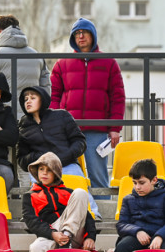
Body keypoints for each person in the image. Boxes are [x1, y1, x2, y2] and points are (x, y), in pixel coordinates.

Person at [50, 18, 125, 194]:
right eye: (77, 33)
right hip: (68, 130)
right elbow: (54, 96)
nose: (81, 36)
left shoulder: (109, 62)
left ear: (93, 35)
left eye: (84, 32)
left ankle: (103, 208)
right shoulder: (62, 63)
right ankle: (69, 207)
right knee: (68, 175)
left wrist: (115, 128)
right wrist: (54, 125)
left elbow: (118, 97)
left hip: (96, 130)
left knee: (98, 176)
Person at [17, 85, 100, 215]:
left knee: (77, 185)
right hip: (41, 169)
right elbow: (22, 159)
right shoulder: (23, 126)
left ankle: (92, 213)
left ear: (42, 99)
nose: (28, 101)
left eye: (33, 98)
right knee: (39, 190)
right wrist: (40, 159)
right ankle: (37, 215)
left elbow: (79, 141)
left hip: (66, 164)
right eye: (26, 99)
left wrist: (65, 156)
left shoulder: (61, 116)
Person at [23, 152, 99, 252]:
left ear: (56, 173)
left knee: (80, 192)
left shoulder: (69, 193)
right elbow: (32, 222)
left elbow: (87, 216)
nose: (44, 173)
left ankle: (67, 236)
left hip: (74, 233)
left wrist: (90, 237)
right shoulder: (30, 196)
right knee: (35, 247)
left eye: (49, 170)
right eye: (41, 169)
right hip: (51, 236)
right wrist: (53, 234)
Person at [114, 159, 165, 252]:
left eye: (141, 183)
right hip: (137, 236)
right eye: (134, 183)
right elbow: (121, 224)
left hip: (163, 236)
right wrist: (137, 231)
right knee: (122, 248)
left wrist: (160, 236)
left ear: (154, 180)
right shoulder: (128, 199)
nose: (137, 187)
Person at [0, 14, 51, 115]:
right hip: (31, 116)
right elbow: (46, 87)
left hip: (4, 117)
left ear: (0, 33)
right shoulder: (36, 55)